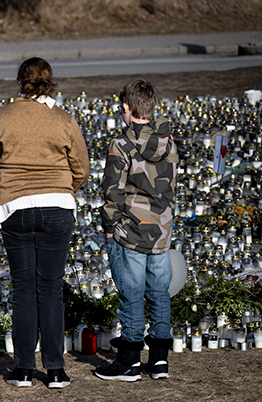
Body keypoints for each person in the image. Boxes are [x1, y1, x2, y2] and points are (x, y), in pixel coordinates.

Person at [0, 57, 89, 389]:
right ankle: (55, 369)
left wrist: (8, 186)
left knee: (24, 289)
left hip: (14, 206)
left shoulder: (2, 116)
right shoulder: (64, 119)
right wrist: (61, 189)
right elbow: (81, 168)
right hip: (56, 206)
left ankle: (24, 369)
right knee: (51, 289)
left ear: (19, 83)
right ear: (51, 82)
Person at [96, 78, 178, 382]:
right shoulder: (169, 141)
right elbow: (169, 185)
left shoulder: (121, 144)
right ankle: (159, 360)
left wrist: (109, 227)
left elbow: (112, 190)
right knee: (159, 293)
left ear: (125, 109)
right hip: (161, 230)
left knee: (130, 293)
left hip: (130, 230)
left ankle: (129, 359)